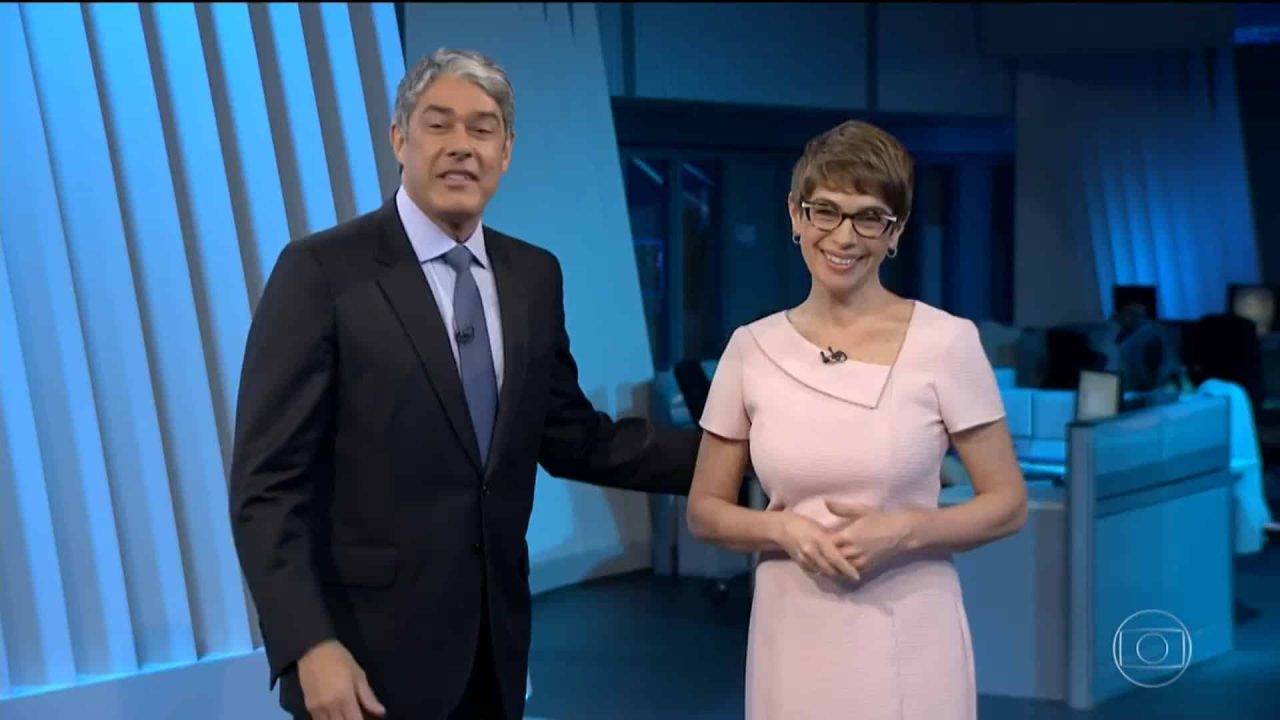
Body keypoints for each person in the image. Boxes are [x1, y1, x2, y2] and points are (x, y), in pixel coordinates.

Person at [228, 48, 699, 720]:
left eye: (482, 129)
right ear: (400, 139)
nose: (461, 146)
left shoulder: (533, 276)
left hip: (493, 654)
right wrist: (308, 643)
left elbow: (575, 438)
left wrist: (737, 456)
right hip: (362, 660)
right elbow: (267, 486)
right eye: (438, 124)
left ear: (505, 152)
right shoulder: (321, 272)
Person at [687, 120, 1028, 719]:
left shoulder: (946, 342)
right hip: (792, 633)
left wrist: (905, 530)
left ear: (895, 231)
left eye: (869, 217)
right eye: (825, 211)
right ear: (796, 215)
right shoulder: (750, 349)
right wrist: (782, 531)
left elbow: (1008, 504)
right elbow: (705, 510)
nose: (843, 236)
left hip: (910, 631)